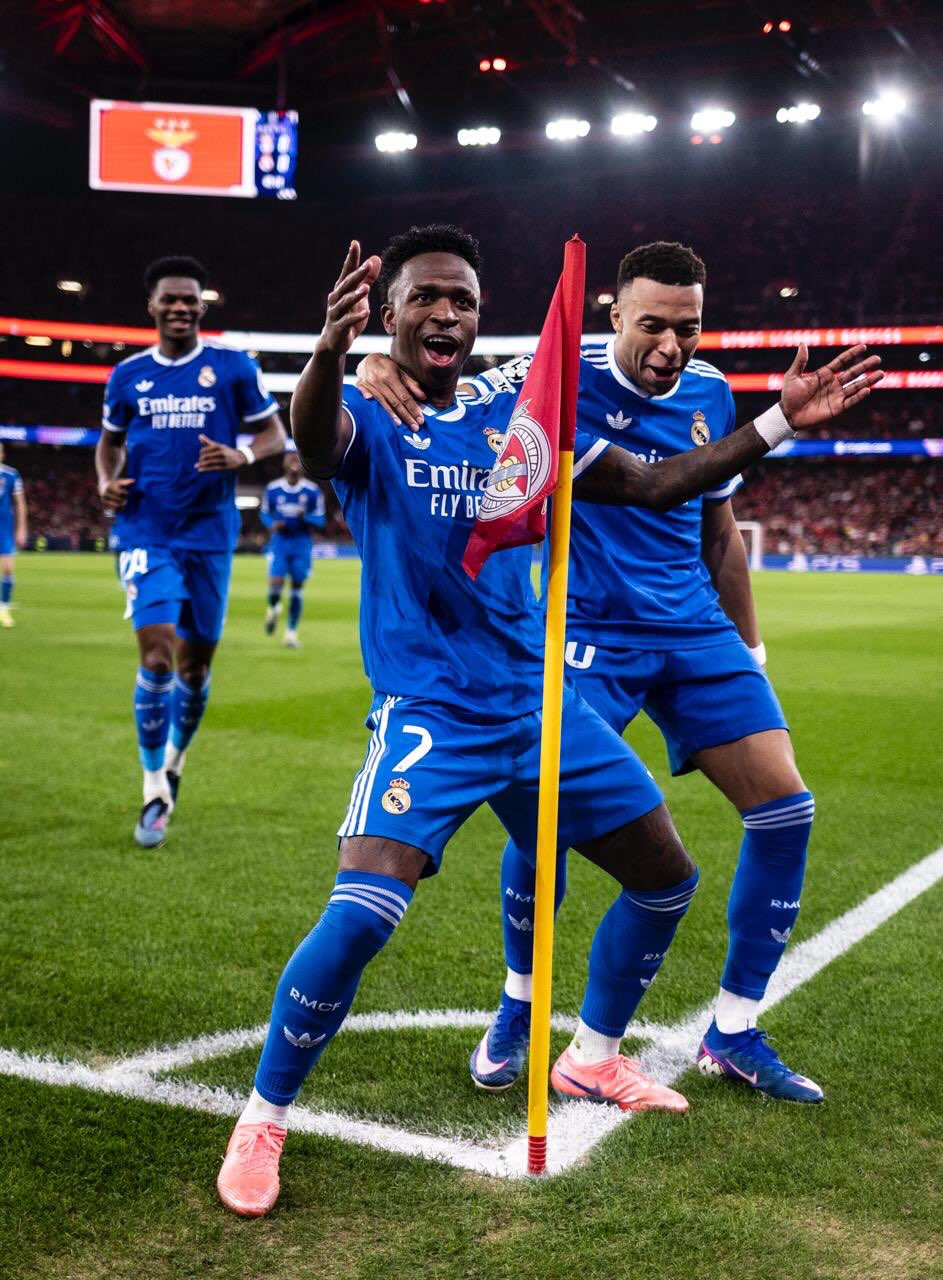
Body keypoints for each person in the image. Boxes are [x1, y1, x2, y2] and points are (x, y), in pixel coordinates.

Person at [214, 224, 880, 1217]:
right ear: (389, 313)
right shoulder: (368, 408)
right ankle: (264, 1115)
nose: (446, 314)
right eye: (425, 299)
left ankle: (590, 1056)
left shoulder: (519, 416)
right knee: (360, 916)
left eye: (463, 301)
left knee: (664, 877)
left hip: (536, 702)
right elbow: (313, 442)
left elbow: (656, 484)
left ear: (481, 319)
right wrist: (325, 350)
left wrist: (774, 422)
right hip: (431, 707)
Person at [357, 240, 861, 1105]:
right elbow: (440, 381)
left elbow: (719, 530)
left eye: (689, 329)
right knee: (542, 826)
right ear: (613, 316)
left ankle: (733, 1031)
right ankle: (522, 1005)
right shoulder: (545, 375)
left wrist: (750, 649)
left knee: (787, 811)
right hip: (586, 632)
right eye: (654, 327)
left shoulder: (711, 393)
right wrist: (372, 366)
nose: (672, 347)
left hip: (694, 631)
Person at [96, 255, 286, 849]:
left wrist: (243, 457)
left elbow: (274, 435)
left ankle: (175, 759)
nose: (180, 307)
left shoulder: (231, 368)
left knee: (194, 668)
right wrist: (106, 483)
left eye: (190, 299)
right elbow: (108, 445)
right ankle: (154, 788)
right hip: (145, 530)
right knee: (156, 657)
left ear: (203, 306)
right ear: (151, 307)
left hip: (210, 534)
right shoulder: (127, 376)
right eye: (169, 299)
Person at [260, 450, 326, 648]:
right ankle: (274, 607)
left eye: (297, 458)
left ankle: (291, 633)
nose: (294, 462)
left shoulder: (313, 491)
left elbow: (321, 520)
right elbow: (264, 514)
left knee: (297, 589)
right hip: (280, 543)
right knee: (275, 587)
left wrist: (304, 517)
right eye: (290, 459)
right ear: (284, 464)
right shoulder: (272, 489)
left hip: (301, 545)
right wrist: (272, 524)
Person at [0, 443, 28, 628]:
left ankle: (3, 608)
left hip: (4, 527)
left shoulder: (11, 474)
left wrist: (22, 528)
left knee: (8, 569)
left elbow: (20, 503)